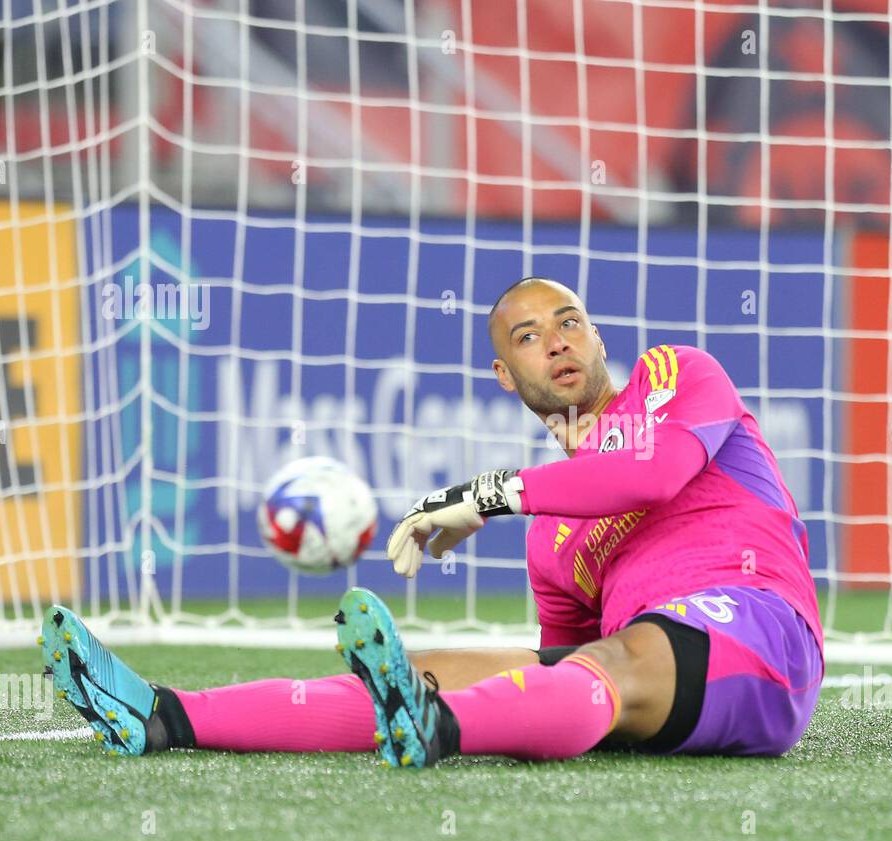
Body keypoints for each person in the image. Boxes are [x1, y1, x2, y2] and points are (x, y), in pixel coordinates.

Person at [41, 277, 824, 768]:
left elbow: (647, 472)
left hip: (762, 636)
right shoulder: (552, 539)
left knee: (615, 659)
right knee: (441, 665)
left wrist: (487, 494)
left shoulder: (675, 377)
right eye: (528, 336)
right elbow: (564, 662)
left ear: (597, 337)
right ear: (503, 374)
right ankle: (165, 715)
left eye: (570, 321)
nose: (556, 341)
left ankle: (438, 729)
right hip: (666, 673)